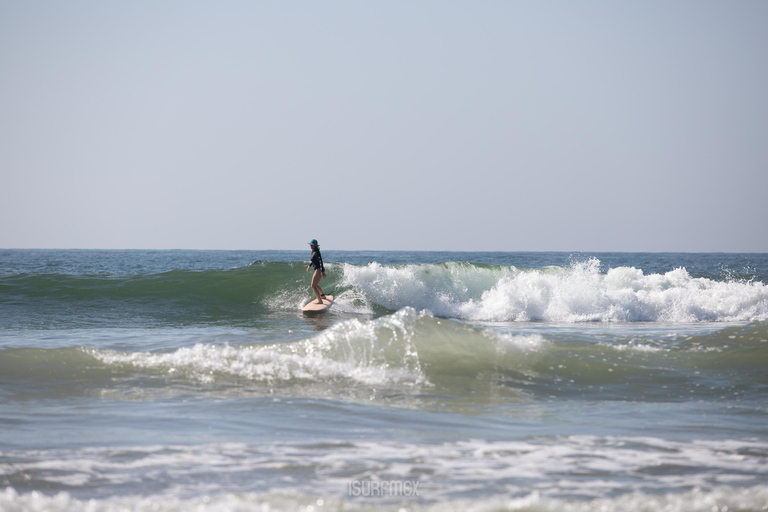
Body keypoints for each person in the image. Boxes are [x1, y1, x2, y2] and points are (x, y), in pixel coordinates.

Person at [306, 239, 326, 304]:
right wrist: (309, 265)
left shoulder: (317, 252)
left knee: (313, 286)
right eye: (310, 245)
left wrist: (322, 271)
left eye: (312, 245)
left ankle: (320, 301)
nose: (311, 246)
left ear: (315, 246)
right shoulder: (313, 251)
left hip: (318, 270)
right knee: (315, 285)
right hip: (317, 270)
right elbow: (313, 261)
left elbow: (320, 261)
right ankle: (322, 296)